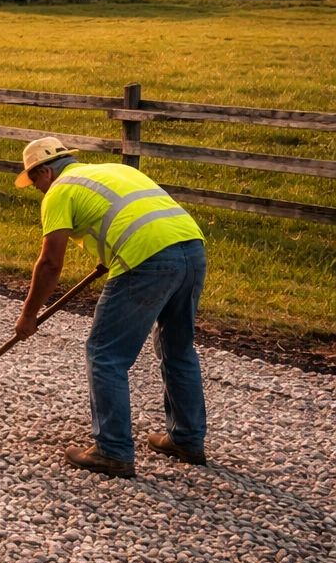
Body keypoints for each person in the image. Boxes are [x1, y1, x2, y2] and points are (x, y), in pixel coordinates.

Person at [12, 137, 209, 478]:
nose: (37, 191)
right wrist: (108, 255)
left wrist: (29, 314)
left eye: (34, 183)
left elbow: (49, 264)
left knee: (106, 354)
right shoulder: (112, 170)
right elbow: (131, 215)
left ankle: (112, 450)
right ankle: (187, 440)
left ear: (45, 171)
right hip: (192, 250)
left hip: (147, 258)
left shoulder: (59, 191)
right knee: (178, 349)